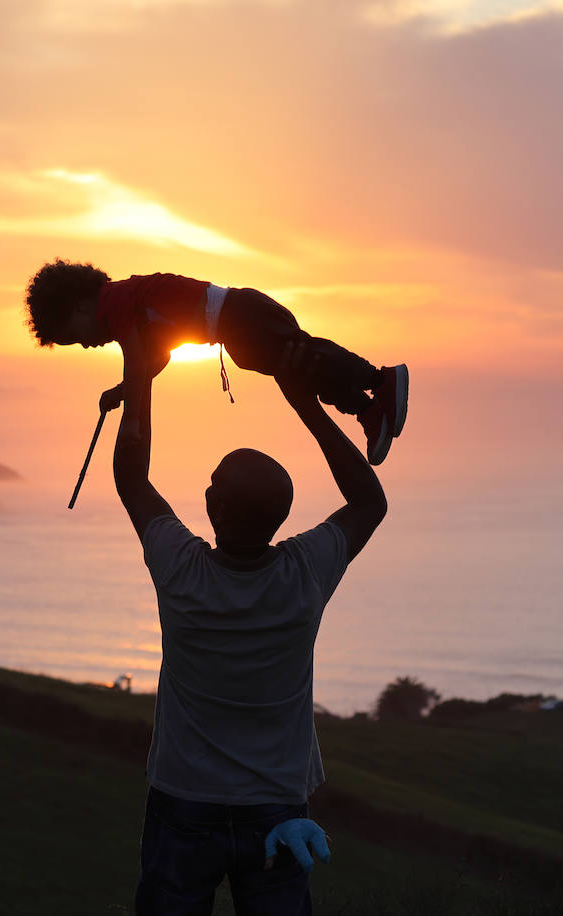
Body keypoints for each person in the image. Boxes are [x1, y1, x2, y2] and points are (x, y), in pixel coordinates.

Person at [114, 337, 384, 915]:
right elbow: (368, 502)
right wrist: (304, 402)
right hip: (279, 811)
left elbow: (131, 478)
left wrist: (141, 374)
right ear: (280, 517)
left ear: (211, 507)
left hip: (183, 800)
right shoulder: (305, 573)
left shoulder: (179, 567)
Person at [25, 259, 408, 465]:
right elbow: (157, 357)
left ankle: (379, 379)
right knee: (304, 368)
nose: (87, 345)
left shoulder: (114, 302)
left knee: (305, 357)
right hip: (236, 328)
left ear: (79, 305)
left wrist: (133, 424)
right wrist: (123, 391)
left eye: (75, 336)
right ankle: (368, 409)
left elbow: (138, 361)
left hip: (240, 315)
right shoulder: (130, 306)